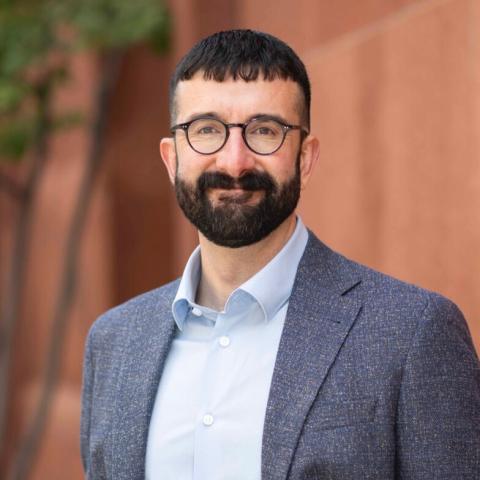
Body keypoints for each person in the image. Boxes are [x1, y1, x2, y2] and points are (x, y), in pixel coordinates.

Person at [80, 29, 480, 480]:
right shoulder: (112, 343)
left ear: (305, 160)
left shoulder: (413, 333)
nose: (234, 162)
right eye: (206, 130)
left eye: (265, 131)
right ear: (172, 160)